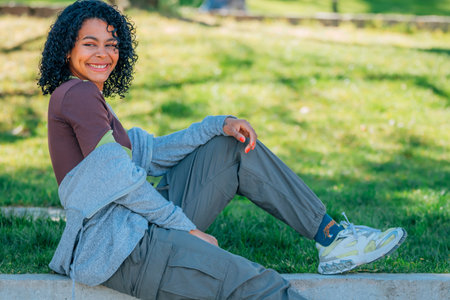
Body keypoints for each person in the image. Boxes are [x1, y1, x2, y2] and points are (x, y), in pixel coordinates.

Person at [38, 1, 406, 299]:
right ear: (67, 47)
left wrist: (219, 124)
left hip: (135, 234)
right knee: (264, 287)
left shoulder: (85, 98)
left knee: (231, 146)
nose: (103, 54)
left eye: (111, 44)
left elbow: (153, 153)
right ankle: (332, 240)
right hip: (126, 250)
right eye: (90, 43)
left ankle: (333, 238)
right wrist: (187, 230)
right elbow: (122, 180)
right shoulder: (79, 96)